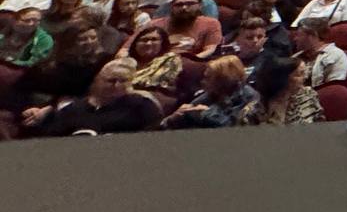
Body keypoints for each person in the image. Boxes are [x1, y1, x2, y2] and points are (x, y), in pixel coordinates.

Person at [19, 57, 162, 136]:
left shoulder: (142, 105)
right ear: (97, 81)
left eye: (123, 81)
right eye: (111, 80)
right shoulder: (74, 109)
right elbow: (53, 137)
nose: (117, 85)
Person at [162, 55, 261, 129]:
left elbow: (233, 127)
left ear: (223, 80)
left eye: (207, 78)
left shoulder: (250, 98)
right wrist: (173, 118)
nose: (202, 82)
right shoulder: (208, 95)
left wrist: (204, 113)